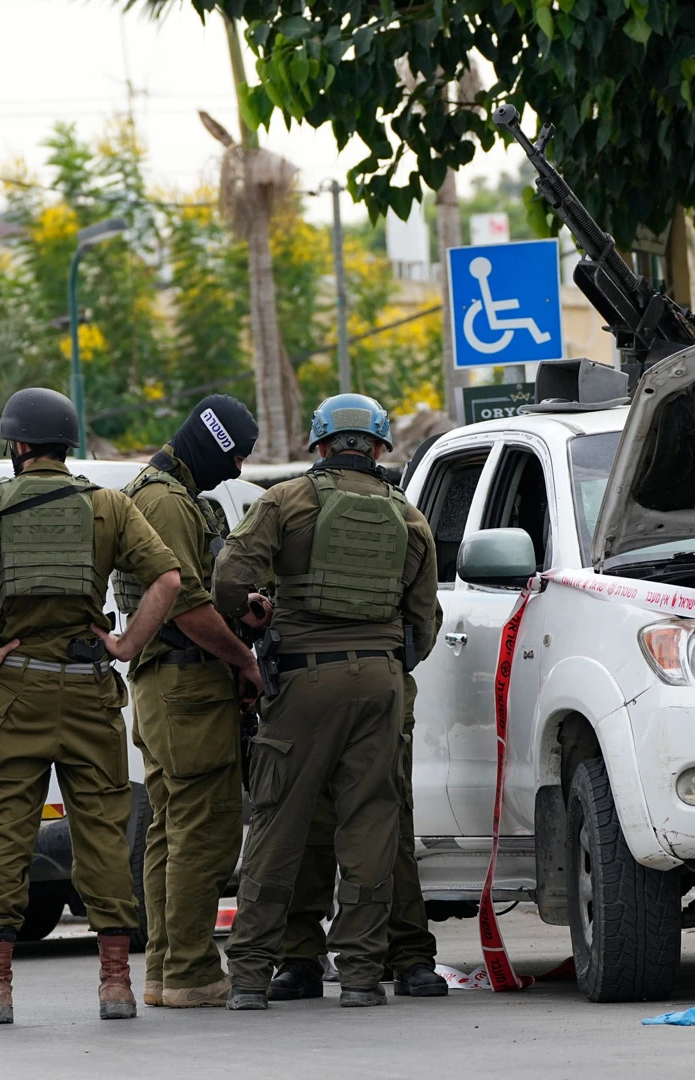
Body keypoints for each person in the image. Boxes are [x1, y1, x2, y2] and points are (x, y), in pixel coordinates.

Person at [0, 387, 182, 1025]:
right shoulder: (108, 506)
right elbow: (169, 579)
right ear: (67, 445)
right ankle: (116, 983)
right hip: (91, 689)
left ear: (16, 446)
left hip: (17, 692)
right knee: (101, 834)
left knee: (7, 836)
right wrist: (124, 643)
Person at [211, 393, 439, 1010]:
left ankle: (253, 977)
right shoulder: (407, 516)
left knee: (278, 823)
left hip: (304, 681)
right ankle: (363, 975)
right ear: (379, 447)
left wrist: (257, 616)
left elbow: (228, 580)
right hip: (382, 685)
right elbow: (425, 625)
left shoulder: (284, 501)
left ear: (319, 445)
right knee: (371, 826)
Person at [116, 395, 266, 1010]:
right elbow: (186, 607)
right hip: (186, 686)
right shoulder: (168, 502)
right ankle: (191, 971)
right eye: (231, 458)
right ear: (207, 443)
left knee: (169, 830)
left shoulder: (149, 490)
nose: (233, 472)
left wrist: (241, 617)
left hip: (165, 685)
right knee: (203, 830)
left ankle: (162, 971)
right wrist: (243, 656)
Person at [268, 610, 447, 1001]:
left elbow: (424, 617)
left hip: (379, 694)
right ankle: (299, 956)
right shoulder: (283, 543)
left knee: (390, 831)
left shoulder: (404, 543)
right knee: (306, 827)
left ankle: (408, 954)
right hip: (303, 691)